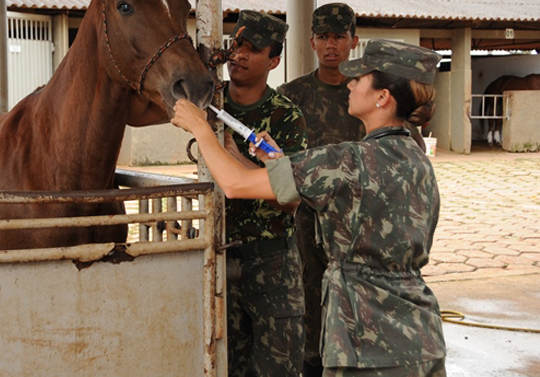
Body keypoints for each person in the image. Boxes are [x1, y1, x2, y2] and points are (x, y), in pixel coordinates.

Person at [172, 39, 447, 377]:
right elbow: (317, 193)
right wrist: (278, 164)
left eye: (359, 79)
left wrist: (200, 128)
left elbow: (235, 184)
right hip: (423, 339)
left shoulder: (348, 159)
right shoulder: (417, 158)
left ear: (382, 97)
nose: (349, 83)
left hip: (367, 345)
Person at [219, 10, 308, 377]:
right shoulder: (208, 102)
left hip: (272, 263)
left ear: (274, 60)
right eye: (236, 44)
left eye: (252, 49)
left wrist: (240, 162)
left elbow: (288, 201)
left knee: (277, 369)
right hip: (219, 258)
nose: (238, 54)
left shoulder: (285, 117)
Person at [277, 2, 363, 377]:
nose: (332, 45)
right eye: (324, 37)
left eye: (339, 37)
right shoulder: (291, 96)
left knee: (356, 305)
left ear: (353, 42)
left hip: (356, 226)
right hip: (304, 225)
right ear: (312, 42)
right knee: (309, 303)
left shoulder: (366, 95)